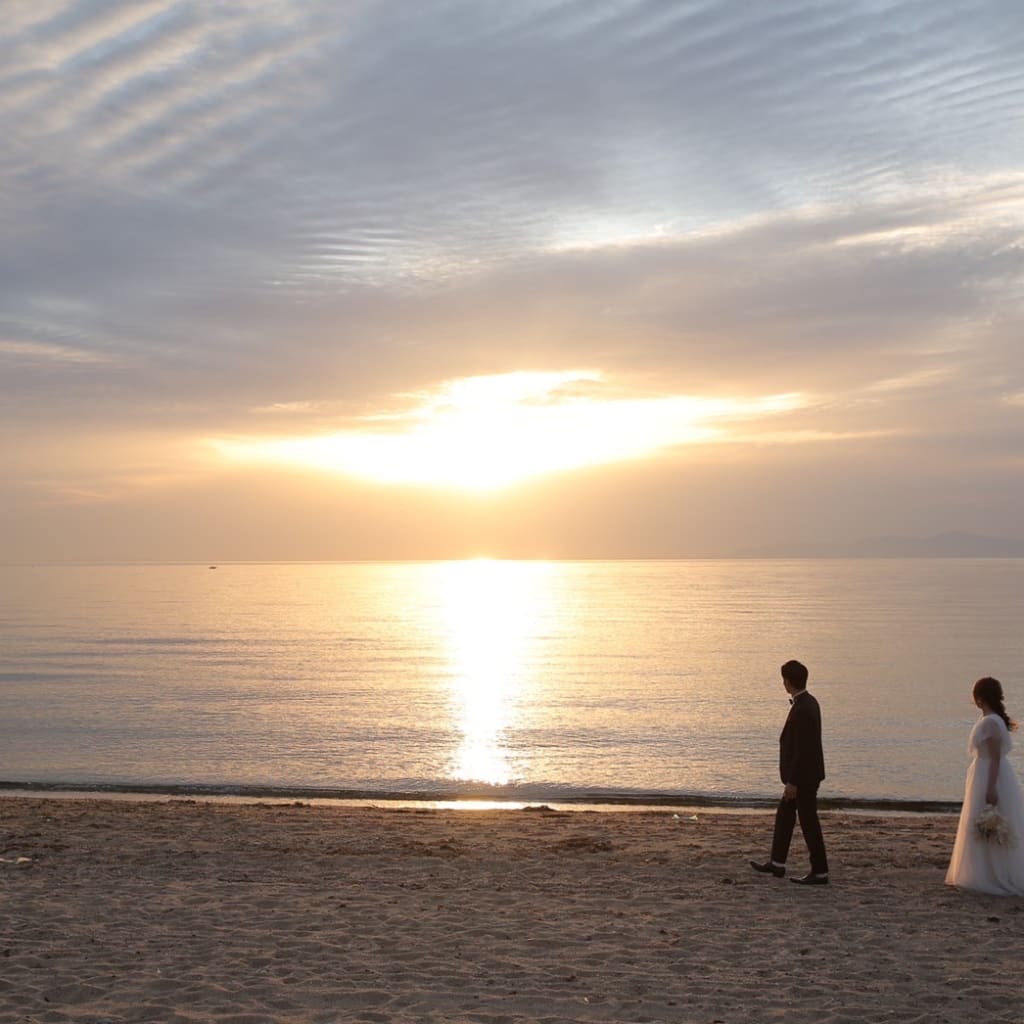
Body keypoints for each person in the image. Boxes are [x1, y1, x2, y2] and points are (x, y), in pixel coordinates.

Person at [750, 659, 829, 885]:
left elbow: (803, 750)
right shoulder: (808, 702)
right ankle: (777, 863)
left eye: (783, 679)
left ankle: (820, 871)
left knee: (808, 822)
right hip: (808, 774)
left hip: (803, 777)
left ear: (787, 681)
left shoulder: (803, 708)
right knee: (785, 815)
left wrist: (793, 782)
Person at [945, 677, 1024, 895]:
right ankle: (985, 871)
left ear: (980, 698)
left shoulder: (990, 722)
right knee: (985, 824)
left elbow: (995, 758)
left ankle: (990, 874)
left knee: (988, 822)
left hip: (989, 774)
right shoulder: (992, 719)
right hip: (984, 773)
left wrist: (991, 787)